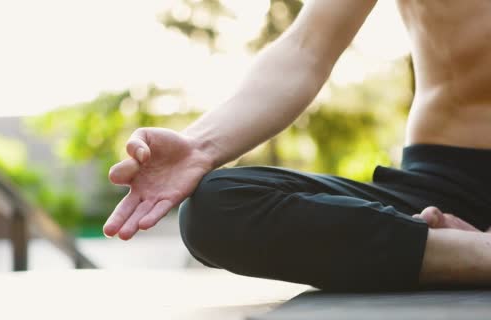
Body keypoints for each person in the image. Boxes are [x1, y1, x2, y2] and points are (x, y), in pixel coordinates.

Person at [102, 0, 491, 291]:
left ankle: (465, 254)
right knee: (218, 207)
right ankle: (473, 254)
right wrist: (200, 145)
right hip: (443, 186)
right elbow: (307, 48)